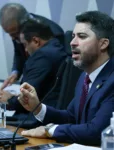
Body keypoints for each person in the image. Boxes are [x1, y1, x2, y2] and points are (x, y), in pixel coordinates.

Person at [17, 11, 114, 145]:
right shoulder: (84, 78)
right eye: (73, 36)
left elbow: (97, 132)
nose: (72, 42)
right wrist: (38, 108)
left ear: (103, 44)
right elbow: (71, 117)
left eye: (82, 36)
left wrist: (50, 130)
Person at [0, 19, 66, 125]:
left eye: (25, 44)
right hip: (48, 115)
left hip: (35, 120)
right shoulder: (58, 49)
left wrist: (8, 100)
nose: (26, 50)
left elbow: (27, 96)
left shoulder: (42, 56)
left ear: (36, 41)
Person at [0, 3, 65, 90]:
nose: (13, 38)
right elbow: (19, 52)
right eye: (9, 34)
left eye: (14, 34)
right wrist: (16, 71)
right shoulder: (16, 30)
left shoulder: (55, 33)